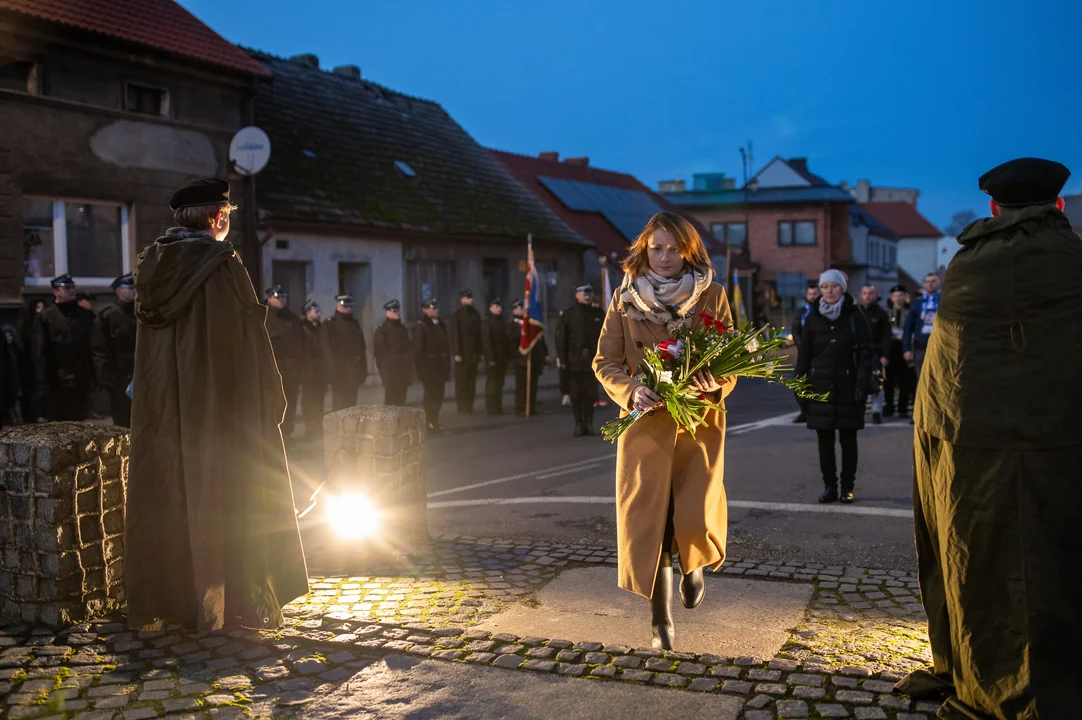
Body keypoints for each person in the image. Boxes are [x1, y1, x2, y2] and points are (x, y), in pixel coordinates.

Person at [897, 158, 1082, 718]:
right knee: (1056, 562)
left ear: (993, 209)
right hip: (1062, 442)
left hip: (971, 450)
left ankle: (977, 673)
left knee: (979, 559)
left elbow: (944, 373)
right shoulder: (1075, 264)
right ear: (1059, 206)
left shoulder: (967, 268)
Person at [126, 177, 307, 632]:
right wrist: (266, 399)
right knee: (227, 497)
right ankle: (232, 602)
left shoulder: (152, 268)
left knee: (174, 490)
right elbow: (244, 345)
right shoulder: (222, 266)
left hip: (168, 413)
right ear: (217, 217)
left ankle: (175, 601)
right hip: (220, 413)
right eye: (225, 214)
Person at [593, 211, 735, 650]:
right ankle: (660, 622)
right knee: (651, 523)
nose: (665, 257)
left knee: (691, 513)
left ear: (688, 250)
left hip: (697, 423)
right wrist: (630, 390)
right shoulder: (623, 299)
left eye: (674, 248)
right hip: (646, 426)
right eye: (656, 247)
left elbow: (730, 359)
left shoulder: (712, 294)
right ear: (644, 249)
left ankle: (695, 566)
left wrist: (718, 382)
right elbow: (605, 362)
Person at [796, 269, 875, 504]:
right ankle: (829, 487)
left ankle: (847, 487)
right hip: (819, 387)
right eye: (824, 287)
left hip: (848, 386)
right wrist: (799, 384)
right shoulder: (812, 318)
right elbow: (805, 355)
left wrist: (862, 381)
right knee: (825, 442)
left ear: (843, 288)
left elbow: (865, 352)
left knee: (848, 441)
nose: (829, 291)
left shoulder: (854, 316)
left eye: (834, 286)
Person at [32, 274, 94, 421]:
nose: (71, 291)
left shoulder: (83, 315)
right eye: (66, 288)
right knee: (59, 420)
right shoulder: (46, 316)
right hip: (57, 378)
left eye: (72, 287)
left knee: (79, 420)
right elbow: (40, 351)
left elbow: (91, 344)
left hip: (80, 377)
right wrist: (42, 381)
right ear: (56, 292)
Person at [557, 283, 605, 436]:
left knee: (590, 394)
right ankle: (579, 423)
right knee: (576, 395)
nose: (587, 295)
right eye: (583, 293)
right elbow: (561, 339)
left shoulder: (598, 313)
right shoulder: (568, 314)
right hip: (574, 361)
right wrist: (563, 360)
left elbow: (605, 337)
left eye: (589, 292)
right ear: (577, 295)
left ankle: (589, 423)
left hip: (592, 361)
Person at [91, 274, 137, 427]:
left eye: (135, 288)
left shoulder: (140, 314)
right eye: (130, 288)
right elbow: (100, 349)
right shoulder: (108, 316)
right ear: (118, 291)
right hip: (120, 375)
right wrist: (105, 378)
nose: (134, 291)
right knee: (122, 418)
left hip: (141, 372)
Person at [324, 294, 368, 411]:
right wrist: (333, 373)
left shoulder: (354, 323)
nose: (348, 308)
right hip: (340, 372)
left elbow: (361, 348)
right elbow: (328, 352)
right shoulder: (330, 324)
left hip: (354, 372)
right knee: (339, 406)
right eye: (345, 306)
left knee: (351, 406)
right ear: (338, 306)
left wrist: (362, 369)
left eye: (350, 306)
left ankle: (350, 430)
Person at [412, 298, 450, 432]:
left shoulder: (441, 325)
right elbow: (417, 350)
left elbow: (446, 347)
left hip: (441, 367)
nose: (436, 311)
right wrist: (420, 371)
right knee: (430, 397)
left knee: (439, 396)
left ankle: (435, 421)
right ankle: (428, 422)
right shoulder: (422, 326)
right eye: (433, 308)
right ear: (426, 310)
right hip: (429, 367)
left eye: (437, 308)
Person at [857, 284, 891, 425]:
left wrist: (885, 356)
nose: (867, 296)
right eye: (865, 293)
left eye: (871, 293)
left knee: (877, 384)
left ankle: (877, 412)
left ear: (875, 295)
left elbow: (886, 337)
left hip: (876, 354)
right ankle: (859, 411)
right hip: (858, 354)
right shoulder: (855, 312)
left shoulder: (881, 313)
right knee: (860, 383)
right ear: (861, 295)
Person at [509, 299, 547, 416]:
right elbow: (511, 342)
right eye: (519, 308)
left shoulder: (531, 324)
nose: (522, 310)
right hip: (520, 359)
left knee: (532, 384)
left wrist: (545, 354)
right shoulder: (513, 325)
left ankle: (531, 406)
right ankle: (521, 407)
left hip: (533, 359)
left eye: (523, 308)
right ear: (514, 310)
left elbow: (540, 341)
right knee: (521, 386)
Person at [903, 272, 942, 385]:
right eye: (928, 282)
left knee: (939, 379)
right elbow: (908, 327)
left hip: (939, 346)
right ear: (924, 284)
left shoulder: (944, 302)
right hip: (920, 346)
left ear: (938, 283)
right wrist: (906, 349)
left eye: (933, 281)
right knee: (922, 379)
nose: (930, 284)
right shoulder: (916, 303)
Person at [790, 281, 820, 423]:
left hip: (819, 354)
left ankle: (815, 410)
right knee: (799, 382)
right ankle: (804, 410)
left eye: (815, 294)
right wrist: (802, 348)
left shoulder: (822, 310)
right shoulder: (801, 312)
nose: (812, 296)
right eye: (810, 294)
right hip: (803, 353)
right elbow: (795, 331)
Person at [449, 289, 482, 415]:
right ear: (462, 300)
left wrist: (479, 352)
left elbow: (479, 335)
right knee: (461, 382)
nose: (470, 300)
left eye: (471, 298)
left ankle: (470, 405)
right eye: (468, 298)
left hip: (473, 354)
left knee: (471, 382)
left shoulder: (476, 315)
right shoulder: (456, 315)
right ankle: (462, 407)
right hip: (462, 354)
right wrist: (457, 353)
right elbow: (455, 335)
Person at [300, 300, 328, 446]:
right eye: (314, 310)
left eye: (318, 310)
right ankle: (309, 430)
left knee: (319, 402)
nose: (317, 312)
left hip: (320, 371)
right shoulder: (303, 327)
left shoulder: (322, 327)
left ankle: (317, 429)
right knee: (309, 403)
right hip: (308, 370)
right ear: (307, 312)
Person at [884, 284, 915, 419]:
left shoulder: (910, 312)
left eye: (901, 295)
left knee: (905, 380)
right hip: (890, 347)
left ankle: (902, 407)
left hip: (904, 346)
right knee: (888, 379)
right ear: (891, 297)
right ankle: (889, 406)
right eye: (896, 296)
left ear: (905, 297)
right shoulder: (886, 312)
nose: (898, 298)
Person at [373, 299, 412, 406]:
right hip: (391, 372)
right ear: (388, 312)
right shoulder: (382, 330)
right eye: (394, 311)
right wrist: (385, 375)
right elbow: (380, 356)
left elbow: (409, 350)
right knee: (391, 403)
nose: (397, 313)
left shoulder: (403, 329)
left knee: (401, 401)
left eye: (398, 310)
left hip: (403, 372)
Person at [480, 297, 510, 415]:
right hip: (493, 357)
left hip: (502, 357)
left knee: (500, 382)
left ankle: (498, 406)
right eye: (496, 307)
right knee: (492, 383)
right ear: (490, 308)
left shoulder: (502, 322)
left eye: (500, 307)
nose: (499, 309)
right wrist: (490, 358)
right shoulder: (487, 323)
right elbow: (486, 342)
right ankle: (491, 407)